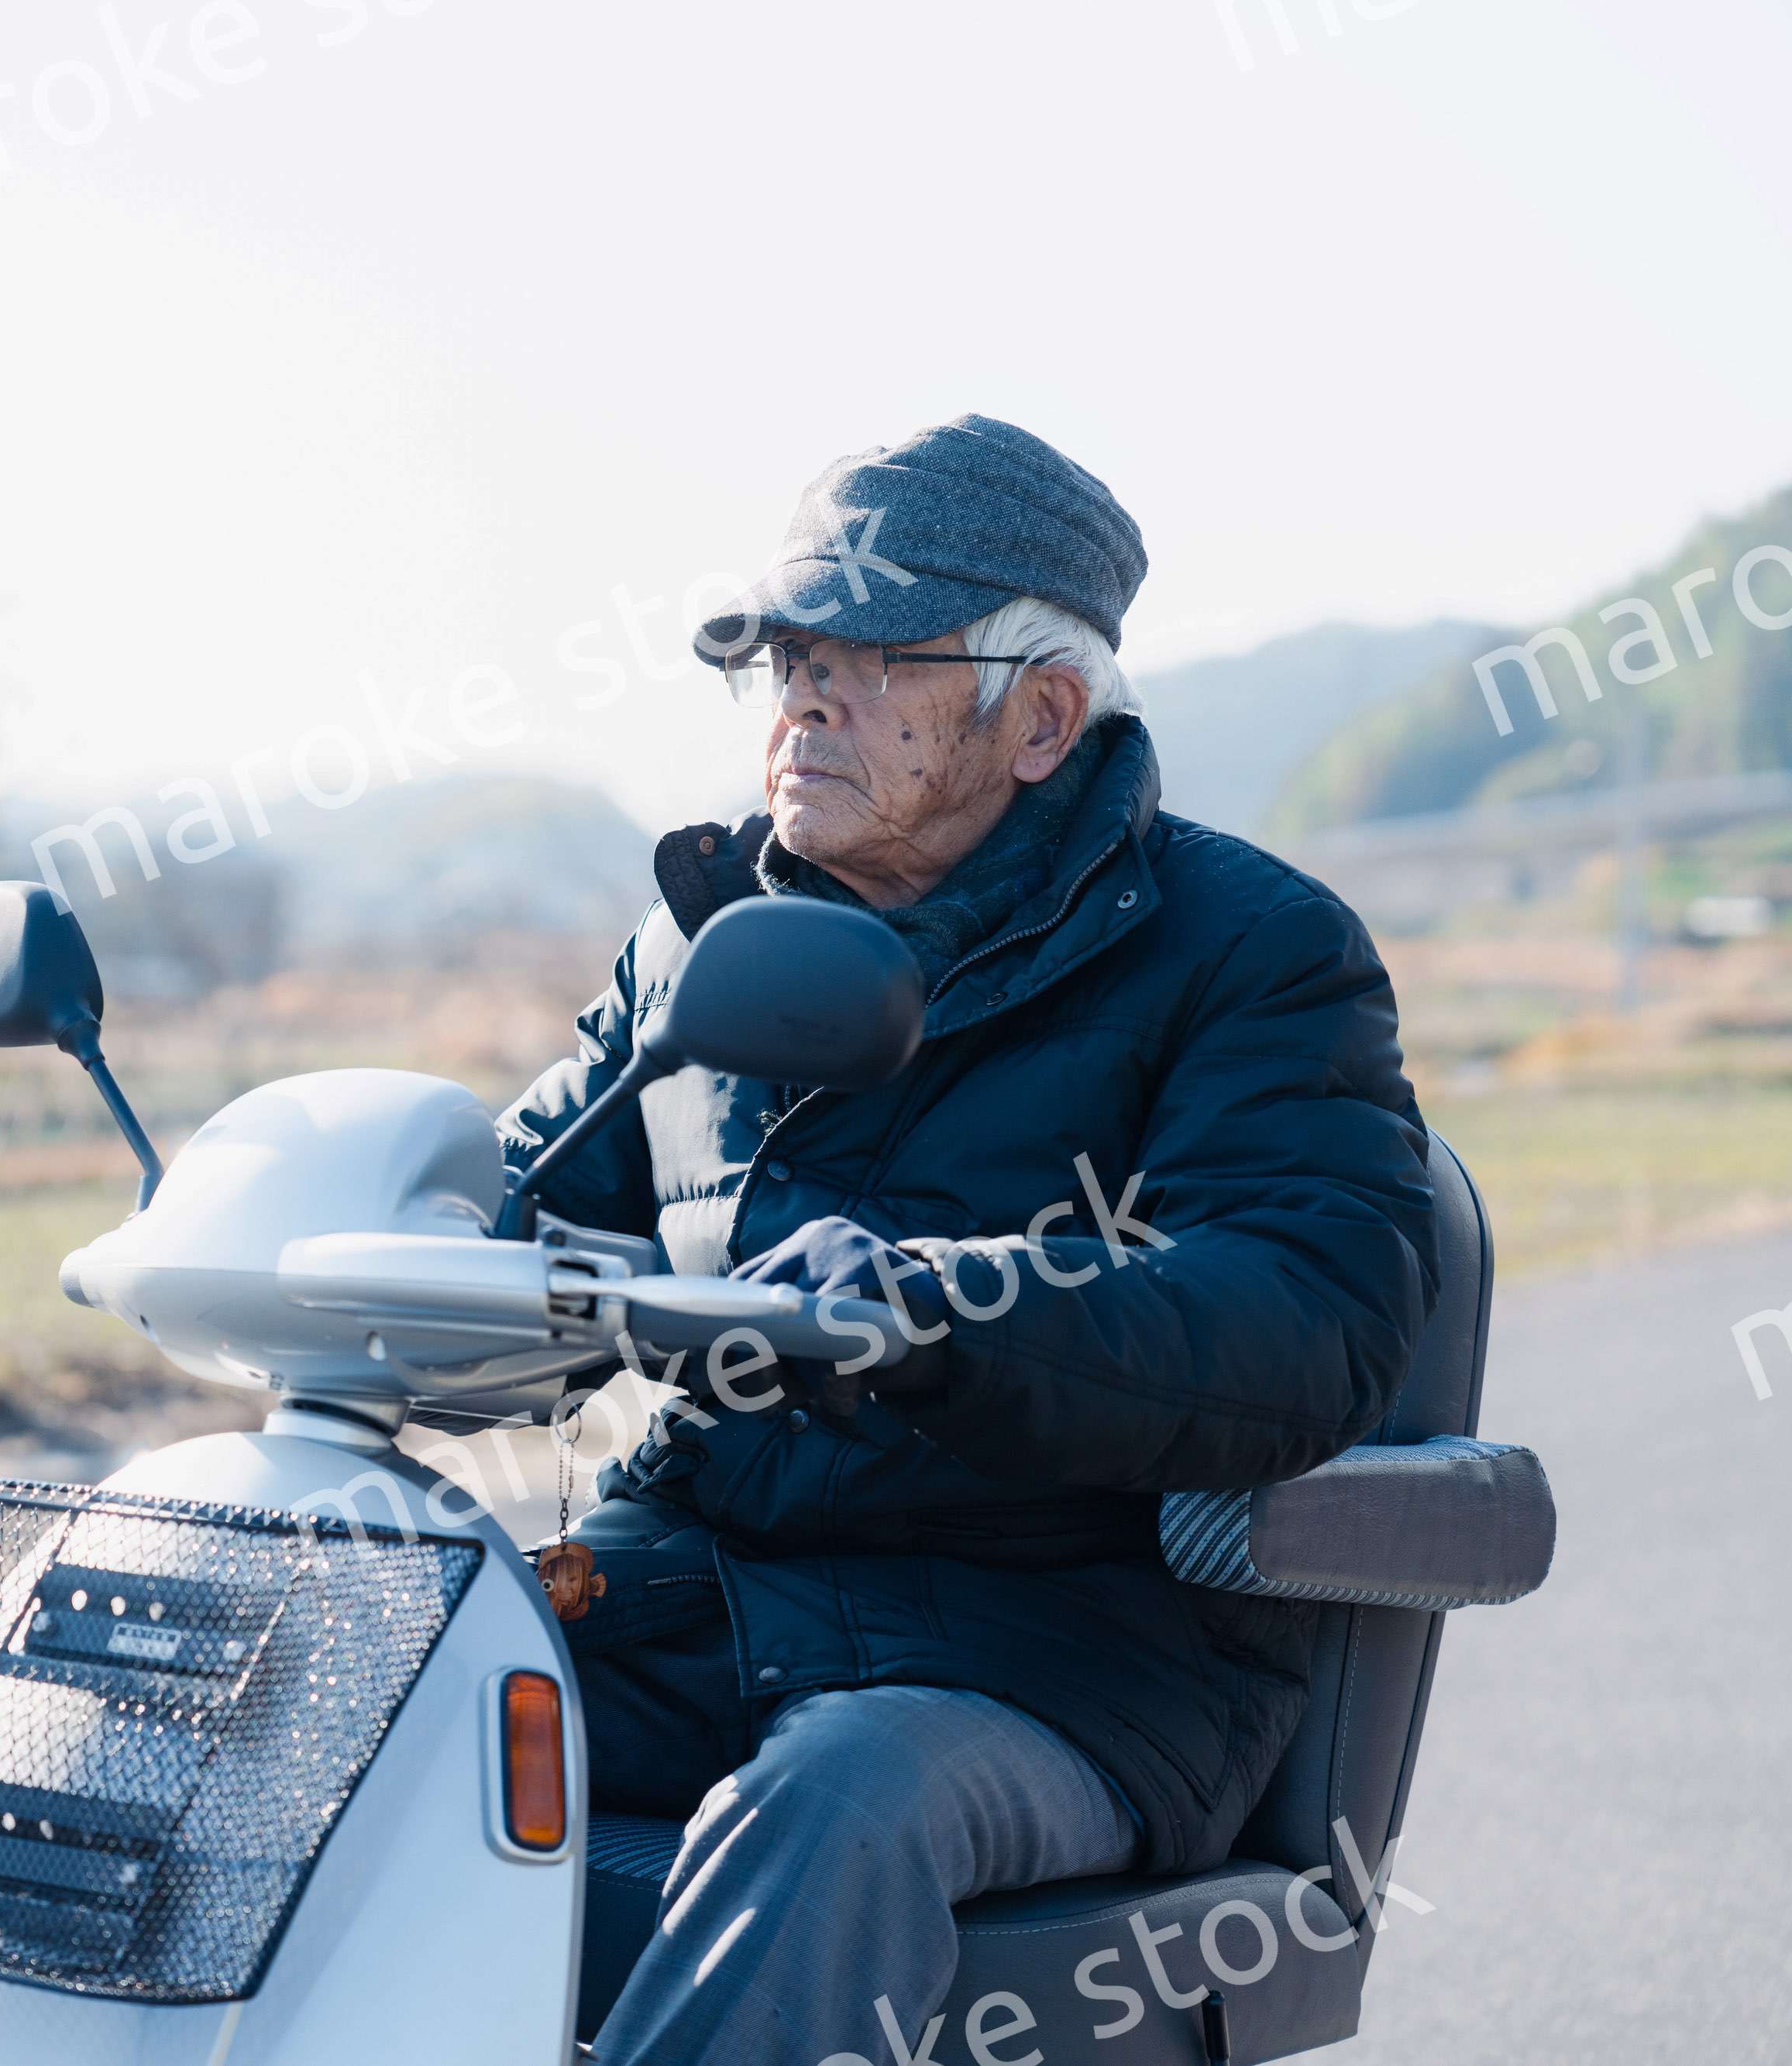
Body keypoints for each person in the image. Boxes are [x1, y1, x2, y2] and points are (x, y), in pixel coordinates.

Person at [497, 414, 1439, 2062]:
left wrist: (947, 1311)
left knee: (838, 1793)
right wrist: (334, 1214)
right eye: (786, 653)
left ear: (1042, 716)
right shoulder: (698, 942)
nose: (803, 693)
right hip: (706, 1579)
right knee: (365, 1653)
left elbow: (1307, 1312)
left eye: (870, 658)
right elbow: (522, 1197)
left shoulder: (1249, 950)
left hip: (1057, 1646)